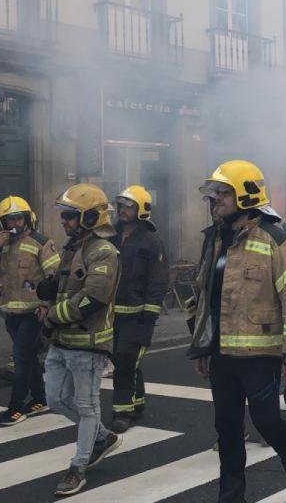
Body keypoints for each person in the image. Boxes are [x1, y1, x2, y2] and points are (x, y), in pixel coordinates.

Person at [187, 160, 286, 502]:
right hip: (221, 356)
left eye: (222, 194)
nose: (215, 200)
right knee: (227, 430)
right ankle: (231, 497)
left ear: (245, 196)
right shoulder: (214, 239)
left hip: (260, 356)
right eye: (213, 194)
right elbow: (204, 296)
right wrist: (202, 346)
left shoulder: (275, 239)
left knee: (269, 424)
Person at [37, 183, 122, 496]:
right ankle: (103, 436)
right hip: (61, 341)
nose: (64, 221)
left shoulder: (105, 251)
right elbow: (65, 288)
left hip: (88, 344)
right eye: (64, 215)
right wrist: (47, 292)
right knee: (55, 399)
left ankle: (78, 467)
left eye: (70, 215)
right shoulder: (70, 248)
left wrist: (52, 317)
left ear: (89, 217)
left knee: (87, 406)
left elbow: (93, 298)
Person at [0, 196, 59, 426]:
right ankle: (40, 397)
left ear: (26, 218)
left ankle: (15, 408)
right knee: (29, 357)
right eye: (10, 220)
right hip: (10, 312)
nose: (15, 224)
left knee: (21, 357)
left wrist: (47, 305)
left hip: (34, 312)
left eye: (18, 218)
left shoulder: (41, 242)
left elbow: (53, 277)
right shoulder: (0, 245)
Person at [108, 185, 168, 433]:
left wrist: (150, 315)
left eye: (129, 206)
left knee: (125, 360)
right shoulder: (110, 236)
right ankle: (138, 402)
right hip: (112, 315)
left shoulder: (151, 241)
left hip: (138, 315)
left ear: (141, 209)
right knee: (124, 360)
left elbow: (158, 280)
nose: (123, 210)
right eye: (121, 206)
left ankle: (123, 411)